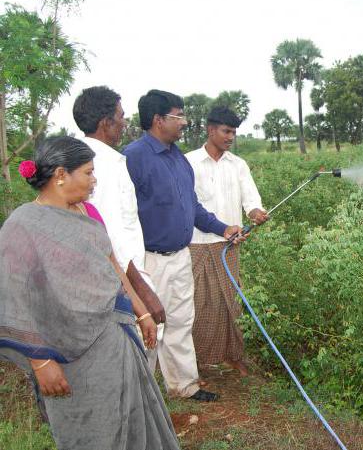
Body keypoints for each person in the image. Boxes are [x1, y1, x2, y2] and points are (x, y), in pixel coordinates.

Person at [0, 136, 179, 450]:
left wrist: (143, 312)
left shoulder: (88, 213)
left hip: (114, 342)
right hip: (67, 354)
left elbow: (113, 267)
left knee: (132, 419)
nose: (93, 180)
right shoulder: (22, 225)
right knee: (94, 432)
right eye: (87, 172)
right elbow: (13, 296)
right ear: (60, 175)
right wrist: (40, 362)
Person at [123, 89, 243, 401]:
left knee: (179, 322)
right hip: (148, 261)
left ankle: (183, 386)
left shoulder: (178, 158)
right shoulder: (134, 157)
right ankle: (142, 394)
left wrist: (222, 228)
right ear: (157, 119)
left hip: (180, 255)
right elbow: (122, 213)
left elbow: (193, 208)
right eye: (178, 116)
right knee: (148, 326)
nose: (184, 122)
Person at [72, 86, 166, 325]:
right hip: (121, 281)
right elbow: (110, 237)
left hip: (109, 277)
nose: (124, 122)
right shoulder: (101, 165)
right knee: (136, 351)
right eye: (121, 116)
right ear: (106, 122)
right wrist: (142, 292)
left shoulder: (79, 158)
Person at [186, 106, 268, 375]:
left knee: (230, 301)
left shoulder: (238, 165)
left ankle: (233, 356)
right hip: (197, 244)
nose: (231, 136)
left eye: (234, 132)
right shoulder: (189, 163)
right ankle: (197, 361)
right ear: (211, 131)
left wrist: (255, 212)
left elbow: (251, 199)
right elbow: (189, 205)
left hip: (230, 245)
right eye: (226, 131)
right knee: (200, 302)